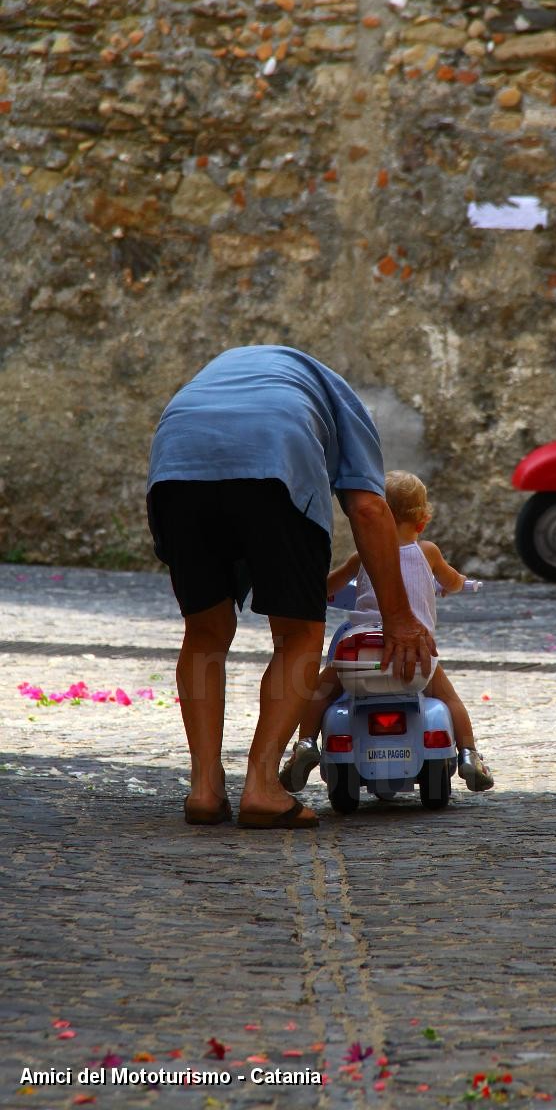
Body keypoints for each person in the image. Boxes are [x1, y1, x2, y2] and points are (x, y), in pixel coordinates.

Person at [146, 347, 436, 830]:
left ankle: (203, 788)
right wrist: (400, 619)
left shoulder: (223, 376)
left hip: (177, 463)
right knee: (297, 634)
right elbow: (368, 509)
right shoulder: (339, 400)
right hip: (273, 459)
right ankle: (261, 786)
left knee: (205, 632)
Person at [280, 470, 494, 793]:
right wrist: (459, 584)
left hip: (363, 652)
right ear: (422, 522)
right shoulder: (428, 553)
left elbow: (329, 586)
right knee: (450, 699)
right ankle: (468, 754)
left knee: (320, 691)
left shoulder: (363, 555)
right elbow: (451, 581)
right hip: (414, 651)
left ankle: (306, 744)